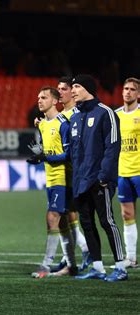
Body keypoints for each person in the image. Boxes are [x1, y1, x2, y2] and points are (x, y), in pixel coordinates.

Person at [70, 74, 127, 282]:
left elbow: (113, 147)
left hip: (99, 179)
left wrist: (104, 176)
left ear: (88, 88)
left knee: (107, 221)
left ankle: (121, 267)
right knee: (87, 223)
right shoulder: (75, 117)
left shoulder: (106, 113)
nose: (72, 90)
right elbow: (73, 152)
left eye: (76, 86)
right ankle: (97, 267)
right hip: (80, 181)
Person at [27, 86, 77, 278]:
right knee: (63, 222)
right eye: (38, 97)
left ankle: (46, 266)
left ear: (55, 101)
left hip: (63, 179)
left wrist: (44, 157)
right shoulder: (43, 125)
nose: (39, 100)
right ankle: (72, 265)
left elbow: (68, 153)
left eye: (44, 97)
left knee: (52, 219)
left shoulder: (63, 123)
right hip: (50, 179)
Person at [50, 76, 91, 273]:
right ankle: (72, 257)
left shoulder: (78, 114)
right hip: (61, 173)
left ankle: (82, 252)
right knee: (67, 215)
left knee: (66, 215)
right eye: (58, 89)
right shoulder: (60, 115)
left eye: (64, 89)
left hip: (74, 173)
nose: (60, 92)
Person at [113, 77, 140, 269]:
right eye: (125, 88)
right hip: (122, 173)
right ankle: (131, 258)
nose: (128, 92)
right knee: (127, 214)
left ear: (138, 94)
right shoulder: (115, 116)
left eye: (132, 89)